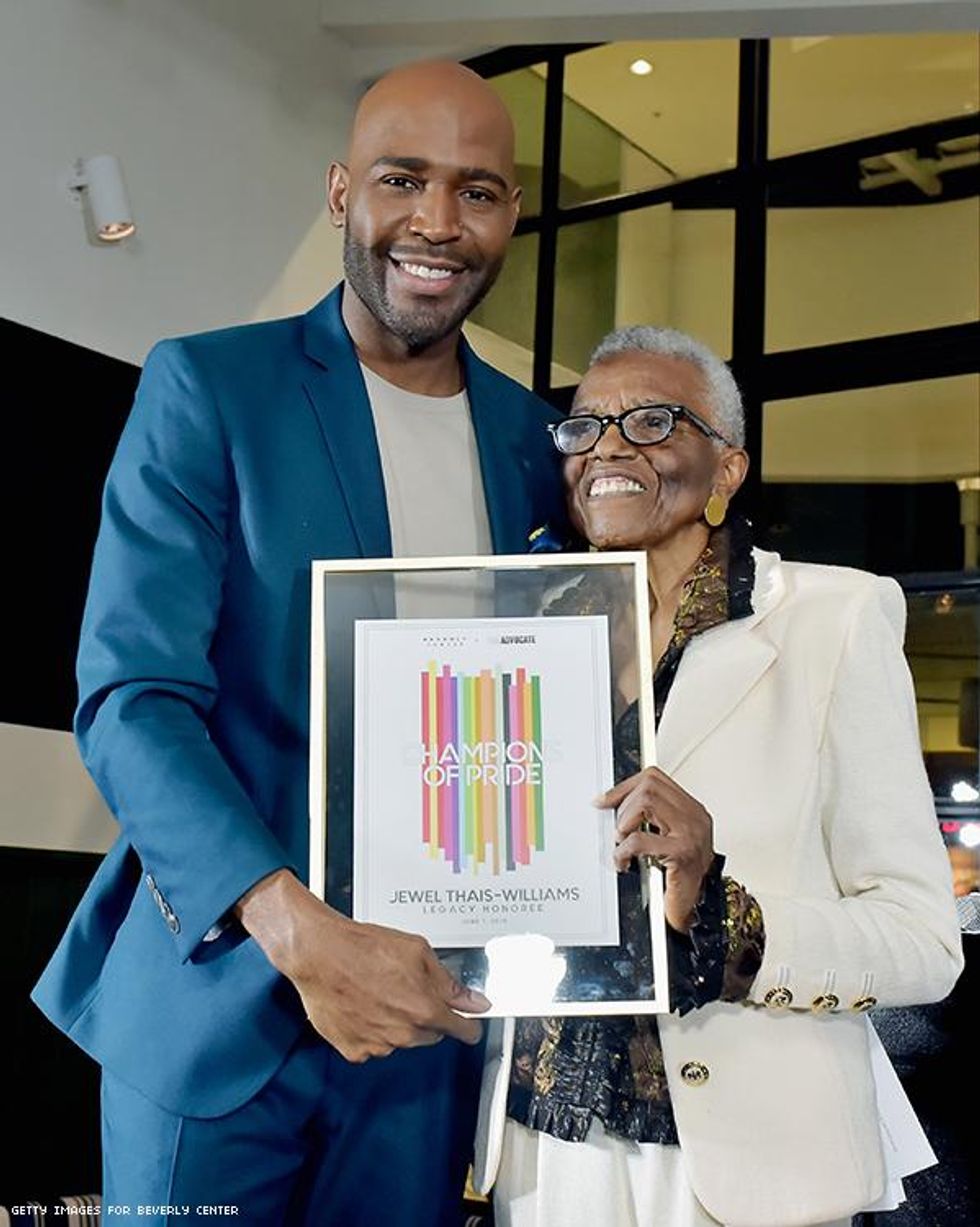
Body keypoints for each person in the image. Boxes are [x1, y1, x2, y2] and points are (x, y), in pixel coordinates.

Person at [32, 60, 568, 1227]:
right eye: (401, 179)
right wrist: (296, 929)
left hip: (429, 1031)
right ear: (340, 193)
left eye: (476, 191)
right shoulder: (209, 387)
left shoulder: (536, 444)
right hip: (221, 1003)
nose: (436, 222)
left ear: (510, 215)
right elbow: (131, 697)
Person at [473, 325, 964, 1227]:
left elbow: (924, 943)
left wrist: (715, 903)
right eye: (584, 428)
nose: (610, 445)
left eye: (654, 421)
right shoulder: (524, 630)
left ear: (728, 470)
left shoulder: (835, 617)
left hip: (742, 1157)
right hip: (544, 1146)